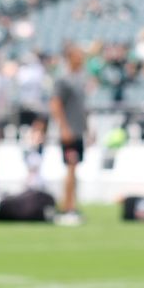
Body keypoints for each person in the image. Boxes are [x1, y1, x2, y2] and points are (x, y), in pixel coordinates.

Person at [47, 44, 91, 225]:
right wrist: (64, 128)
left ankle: (72, 204)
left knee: (75, 169)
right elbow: (55, 105)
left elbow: (82, 109)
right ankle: (67, 207)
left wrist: (88, 128)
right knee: (71, 168)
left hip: (78, 130)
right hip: (70, 131)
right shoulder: (63, 80)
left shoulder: (80, 80)